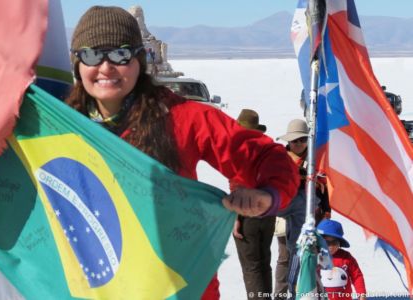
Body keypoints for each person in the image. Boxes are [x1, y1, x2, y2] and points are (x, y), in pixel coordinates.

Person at [65, 6, 299, 299]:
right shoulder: (60, 125)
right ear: (77, 63)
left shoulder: (179, 117)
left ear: (139, 59)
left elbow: (264, 155)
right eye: (91, 55)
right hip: (95, 286)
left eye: (120, 54)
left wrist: (268, 194)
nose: (106, 66)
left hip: (177, 285)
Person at [276, 119, 330, 299]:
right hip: (283, 212)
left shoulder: (316, 159)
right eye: (294, 140)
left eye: (301, 140)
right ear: (288, 142)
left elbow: (324, 185)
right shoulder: (279, 158)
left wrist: (326, 210)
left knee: (311, 254)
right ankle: (284, 293)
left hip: (312, 214)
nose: (298, 144)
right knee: (287, 256)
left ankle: (313, 292)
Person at [231, 109, 276, 300]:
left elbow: (237, 187)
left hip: (248, 213)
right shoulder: (268, 150)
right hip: (268, 211)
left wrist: (236, 218)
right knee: (264, 261)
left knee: (252, 266)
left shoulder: (240, 152)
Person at [317, 219, 366, 300]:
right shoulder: (315, 257)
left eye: (334, 243)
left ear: (340, 243)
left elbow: (357, 276)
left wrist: (361, 295)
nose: (331, 246)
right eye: (326, 243)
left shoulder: (346, 257)